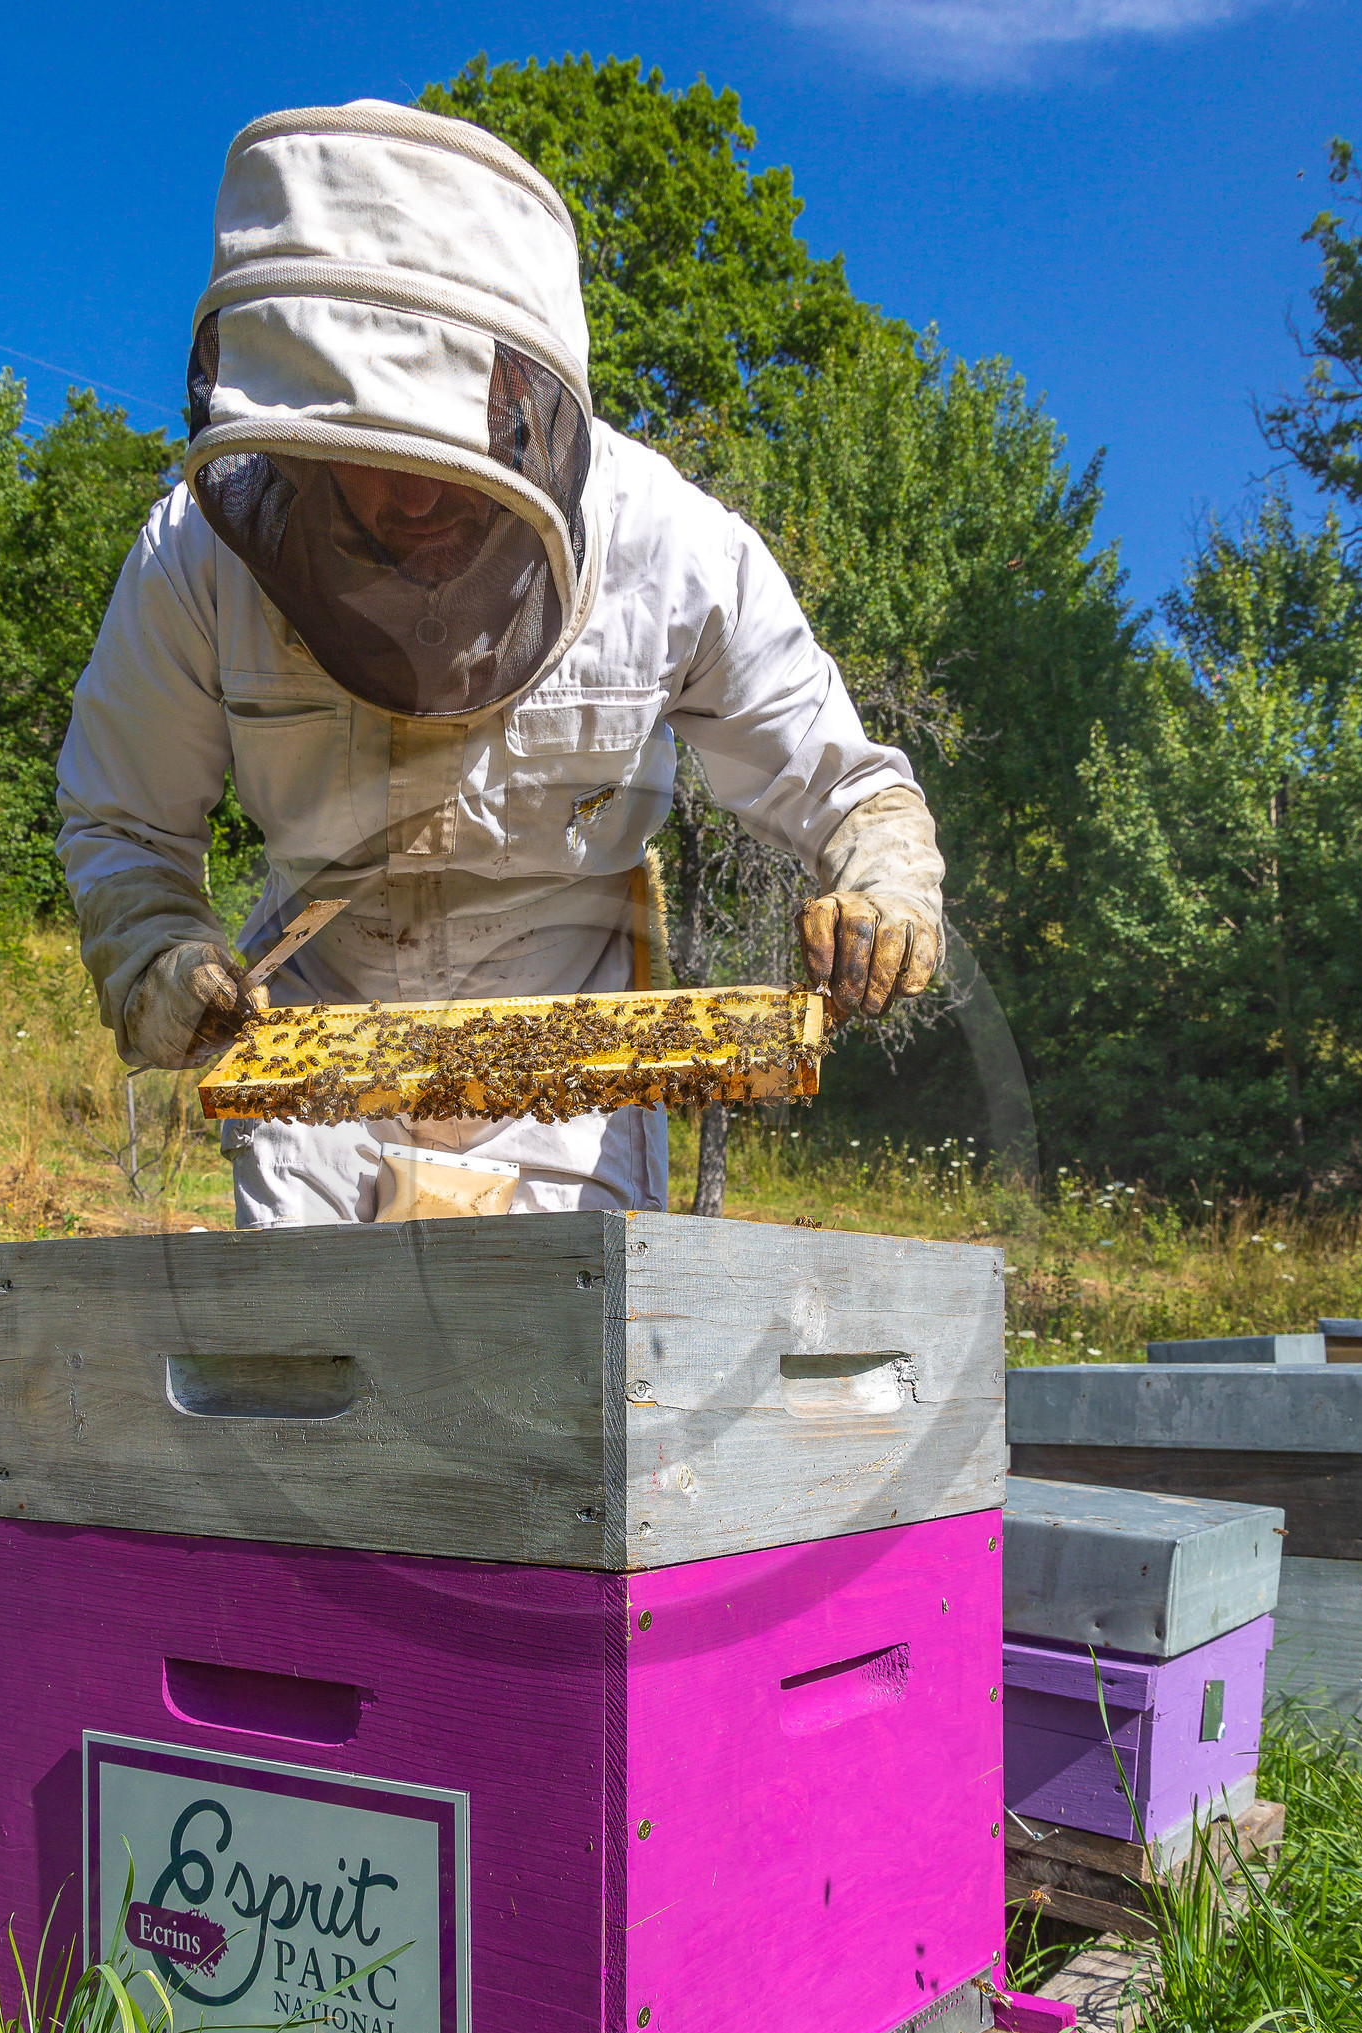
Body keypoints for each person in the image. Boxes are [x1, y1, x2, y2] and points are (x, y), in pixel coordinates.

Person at [57, 101, 945, 1226]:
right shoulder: (193, 558)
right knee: (314, 1374)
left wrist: (883, 883)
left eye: (448, 440)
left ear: (527, 399)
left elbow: (848, 787)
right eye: (360, 452)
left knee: (560, 1375)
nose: (410, 493)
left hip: (574, 1041)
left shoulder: (676, 550)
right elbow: (124, 820)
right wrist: (152, 950)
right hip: (321, 1027)